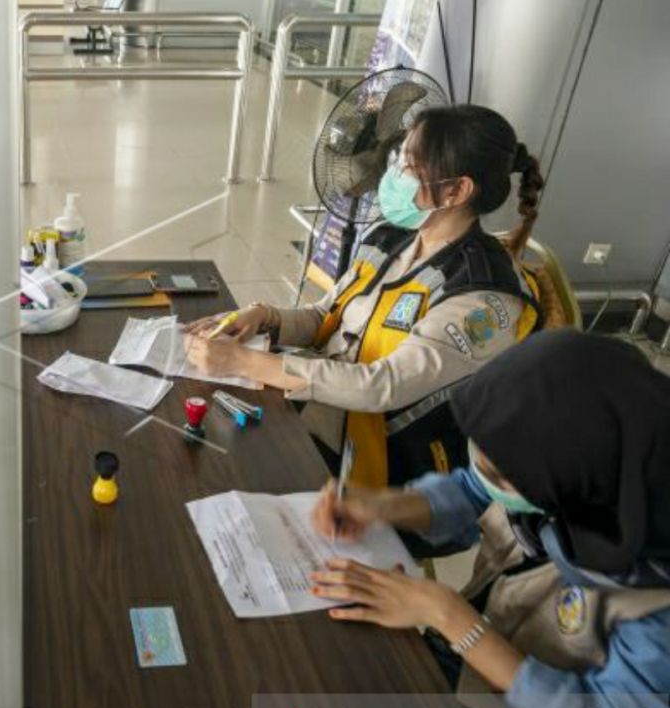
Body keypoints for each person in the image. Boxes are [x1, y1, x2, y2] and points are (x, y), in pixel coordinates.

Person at [186, 105, 545, 488]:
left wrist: (247, 363)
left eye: (410, 166)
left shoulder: (481, 299)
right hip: (323, 413)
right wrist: (266, 317)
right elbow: (326, 316)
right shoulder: (393, 238)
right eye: (399, 160)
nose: (394, 175)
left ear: (457, 190)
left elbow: (381, 386)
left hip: (383, 472)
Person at [308, 330, 670, 708]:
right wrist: (386, 505)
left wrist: (451, 618)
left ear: (577, 482)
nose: (484, 478)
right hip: (464, 654)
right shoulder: (575, 474)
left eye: (498, 474)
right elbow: (473, 490)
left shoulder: (655, 610)